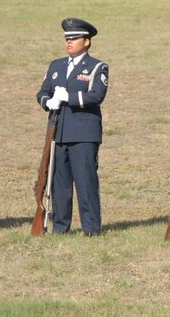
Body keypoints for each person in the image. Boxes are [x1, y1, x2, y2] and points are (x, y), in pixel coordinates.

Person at [36, 18, 109, 236]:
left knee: (85, 182)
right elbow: (42, 92)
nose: (69, 42)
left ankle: (91, 228)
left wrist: (68, 97)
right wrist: (46, 102)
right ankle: (61, 226)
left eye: (74, 38)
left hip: (84, 133)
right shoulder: (56, 66)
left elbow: (96, 95)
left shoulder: (97, 66)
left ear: (86, 41)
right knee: (59, 183)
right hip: (58, 131)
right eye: (67, 38)